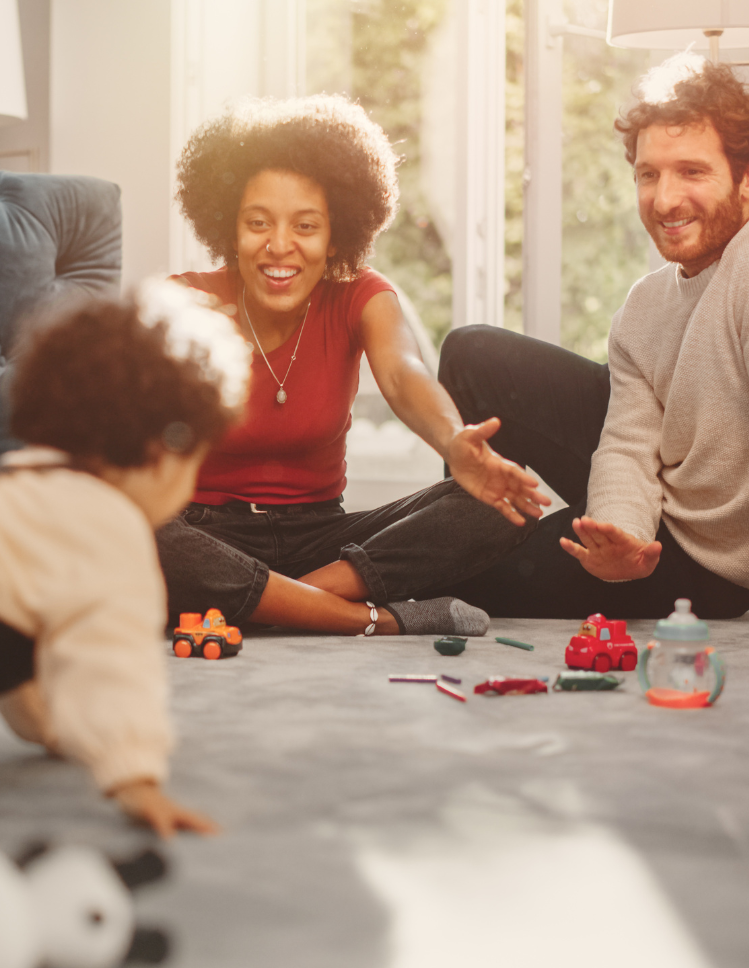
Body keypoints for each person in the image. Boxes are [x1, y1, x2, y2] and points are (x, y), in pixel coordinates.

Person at [158, 94, 551, 638]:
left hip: (325, 540)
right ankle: (367, 619)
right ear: (228, 224)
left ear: (336, 232)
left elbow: (402, 373)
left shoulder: (359, 294)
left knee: (503, 502)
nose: (279, 246)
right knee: (130, 525)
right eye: (257, 222)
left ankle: (277, 602)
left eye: (305, 225)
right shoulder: (182, 302)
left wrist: (453, 440)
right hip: (207, 533)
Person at [438, 53, 749, 619]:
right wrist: (621, 538)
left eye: (693, 171)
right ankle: (463, 529)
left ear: (745, 179)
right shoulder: (645, 305)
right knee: (471, 351)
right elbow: (629, 443)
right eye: (649, 175)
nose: (664, 199)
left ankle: (431, 557)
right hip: (654, 530)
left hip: (715, 562)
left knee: (455, 578)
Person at [0, 280, 251, 836]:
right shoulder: (105, 524)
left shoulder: (23, 479)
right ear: (166, 451)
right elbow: (109, 659)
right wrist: (133, 775)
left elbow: (16, 649)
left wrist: (48, 729)